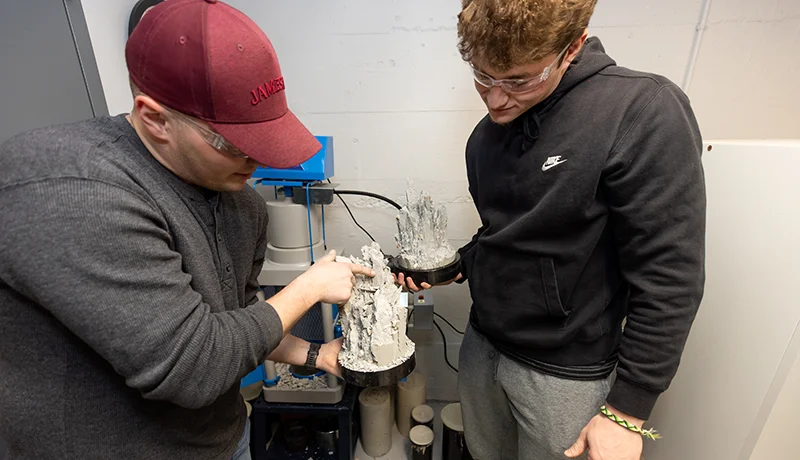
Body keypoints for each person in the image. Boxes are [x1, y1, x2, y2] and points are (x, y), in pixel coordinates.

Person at [0, 1, 373, 459]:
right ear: (155, 118)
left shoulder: (243, 206)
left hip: (220, 440)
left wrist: (318, 356)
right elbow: (193, 367)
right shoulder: (74, 192)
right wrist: (308, 287)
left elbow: (241, 326)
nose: (256, 163)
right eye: (236, 146)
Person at [399, 1, 706, 459]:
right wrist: (458, 263)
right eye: (483, 77)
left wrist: (628, 410)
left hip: (566, 372)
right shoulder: (486, 138)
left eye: (520, 81)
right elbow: (508, 231)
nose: (496, 99)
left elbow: (670, 275)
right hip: (483, 346)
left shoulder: (642, 111)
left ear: (572, 48)